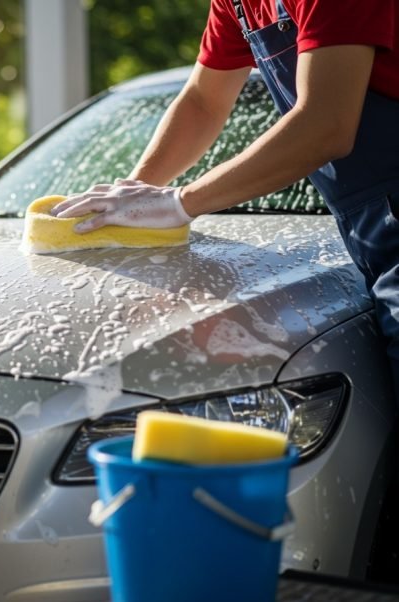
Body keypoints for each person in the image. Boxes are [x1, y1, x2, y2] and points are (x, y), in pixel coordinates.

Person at [52, 0, 399, 393]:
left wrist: (179, 203)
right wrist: (133, 194)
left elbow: (326, 124)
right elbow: (203, 100)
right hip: (373, 232)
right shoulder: (237, 4)